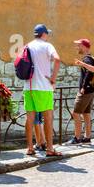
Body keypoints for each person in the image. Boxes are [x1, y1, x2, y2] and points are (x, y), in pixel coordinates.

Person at [23, 24, 60, 157]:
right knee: (48, 118)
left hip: (29, 86)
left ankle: (30, 148)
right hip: (44, 87)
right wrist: (53, 79)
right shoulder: (47, 46)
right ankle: (50, 148)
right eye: (47, 34)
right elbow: (57, 59)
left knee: (29, 118)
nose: (48, 36)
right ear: (43, 34)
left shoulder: (27, 45)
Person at [71, 38, 94, 145]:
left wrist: (84, 86)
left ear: (84, 46)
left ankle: (77, 138)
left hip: (86, 90)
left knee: (75, 113)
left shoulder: (87, 59)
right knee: (86, 113)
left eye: (79, 45)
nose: (77, 47)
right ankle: (87, 137)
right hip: (91, 90)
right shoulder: (90, 58)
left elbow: (89, 73)